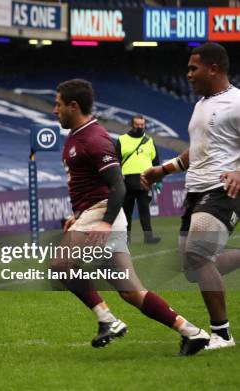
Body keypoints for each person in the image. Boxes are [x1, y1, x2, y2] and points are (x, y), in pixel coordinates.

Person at [52, 78, 209, 356]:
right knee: (131, 292)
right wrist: (76, 217)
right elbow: (91, 185)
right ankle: (192, 332)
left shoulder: (94, 138)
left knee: (61, 264)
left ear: (73, 106)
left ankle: (107, 320)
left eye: (58, 104)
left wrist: (103, 221)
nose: (55, 110)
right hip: (94, 212)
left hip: (103, 212)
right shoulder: (78, 135)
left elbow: (117, 186)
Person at [142, 43, 240, 350]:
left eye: (193, 68)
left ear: (214, 69)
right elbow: (198, 151)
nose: (187, 75)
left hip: (223, 189)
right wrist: (165, 169)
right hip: (196, 190)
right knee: (192, 268)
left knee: (198, 255)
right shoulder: (201, 105)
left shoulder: (236, 103)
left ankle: (221, 334)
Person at [115, 115, 161, 244]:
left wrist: (159, 181)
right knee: (126, 212)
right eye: (138, 124)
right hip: (126, 182)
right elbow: (116, 161)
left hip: (144, 181)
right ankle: (126, 238)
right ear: (132, 124)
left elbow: (156, 162)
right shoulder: (122, 140)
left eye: (142, 125)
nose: (140, 127)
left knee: (144, 211)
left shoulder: (149, 140)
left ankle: (148, 237)